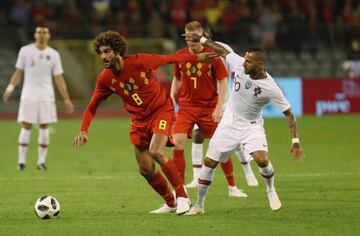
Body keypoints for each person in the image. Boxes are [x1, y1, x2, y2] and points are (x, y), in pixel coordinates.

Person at [72, 31, 217, 215]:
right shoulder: (105, 78)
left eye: (107, 51)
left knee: (156, 151)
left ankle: (182, 197)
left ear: (117, 51)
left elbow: (169, 58)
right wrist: (83, 130)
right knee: (145, 169)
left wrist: (197, 58)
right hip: (139, 120)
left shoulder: (139, 61)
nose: (103, 56)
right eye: (100, 53)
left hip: (161, 111)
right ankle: (171, 203)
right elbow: (92, 106)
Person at [186, 34, 305, 215]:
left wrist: (295, 141)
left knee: (262, 160)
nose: (244, 63)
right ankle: (199, 205)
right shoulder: (239, 64)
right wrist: (202, 40)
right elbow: (222, 51)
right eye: (245, 59)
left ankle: (270, 190)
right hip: (229, 121)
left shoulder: (271, 88)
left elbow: (290, 115)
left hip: (251, 126)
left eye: (249, 61)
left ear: (260, 64)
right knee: (209, 162)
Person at [170, 21, 247, 198]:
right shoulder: (180, 55)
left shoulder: (212, 56)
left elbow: (222, 82)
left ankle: (232, 187)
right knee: (178, 142)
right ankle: (180, 192)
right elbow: (177, 78)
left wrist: (219, 107)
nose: (191, 41)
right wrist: (172, 98)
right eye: (188, 37)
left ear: (201, 36)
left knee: (221, 147)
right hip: (187, 107)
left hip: (208, 108)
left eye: (194, 37)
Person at [186, 27, 258, 189]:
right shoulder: (196, 52)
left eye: (204, 37)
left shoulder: (223, 49)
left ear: (209, 37)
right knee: (198, 135)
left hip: (225, 101)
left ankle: (248, 171)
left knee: (235, 137)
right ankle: (196, 177)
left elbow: (237, 70)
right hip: (204, 102)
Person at [2, 26, 74, 171]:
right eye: (39, 32)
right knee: (26, 125)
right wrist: (10, 88)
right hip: (29, 94)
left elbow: (58, 77)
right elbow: (18, 72)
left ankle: (41, 162)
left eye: (44, 32)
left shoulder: (53, 54)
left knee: (44, 126)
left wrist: (66, 99)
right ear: (35, 35)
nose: (41, 35)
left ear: (49, 35)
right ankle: (21, 161)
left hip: (47, 96)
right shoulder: (25, 51)